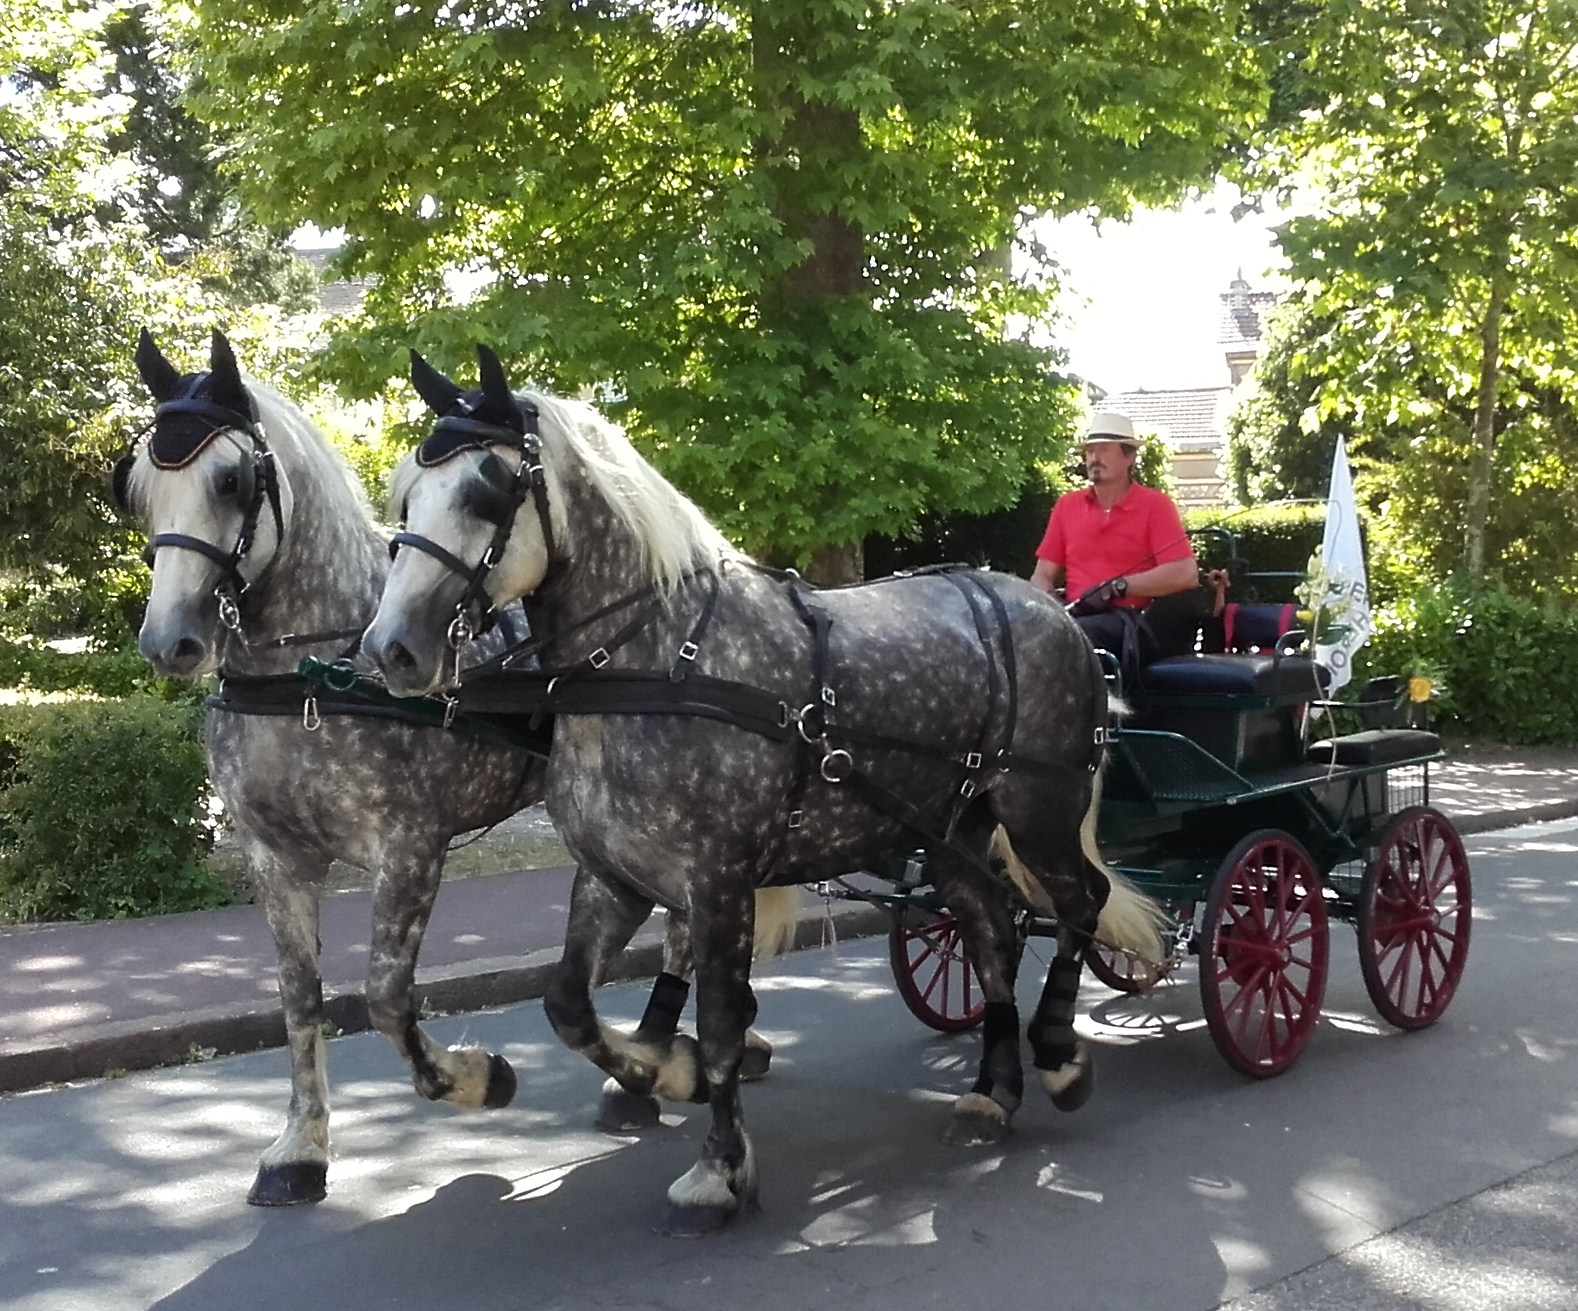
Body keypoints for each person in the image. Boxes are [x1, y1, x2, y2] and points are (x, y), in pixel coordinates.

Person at [1029, 411, 1199, 671]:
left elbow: (1185, 574)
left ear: (1128, 456)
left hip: (1134, 622)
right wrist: (1050, 605)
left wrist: (1118, 587)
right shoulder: (1067, 506)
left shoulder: (1155, 505)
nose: (1094, 458)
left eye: (1104, 450)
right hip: (1076, 616)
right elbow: (1042, 574)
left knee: (1075, 637)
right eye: (1090, 451)